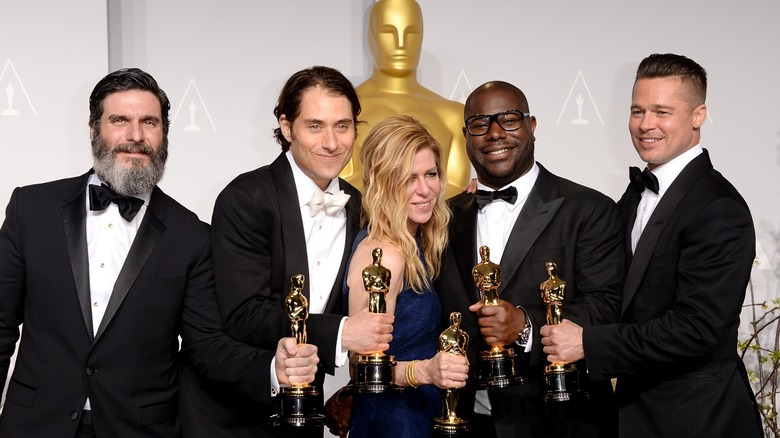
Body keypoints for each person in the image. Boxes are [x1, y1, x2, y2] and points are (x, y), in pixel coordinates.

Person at [0, 68, 319, 437]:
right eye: (120, 120)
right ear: (93, 130)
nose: (135, 136)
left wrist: (272, 369)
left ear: (163, 134)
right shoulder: (31, 209)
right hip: (34, 426)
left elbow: (208, 347)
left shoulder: (192, 236)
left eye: (148, 122)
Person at [540, 53, 763, 437]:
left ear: (698, 115)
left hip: (697, 421)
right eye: (637, 110)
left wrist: (590, 343)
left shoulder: (719, 207)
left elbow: (696, 328)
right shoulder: (635, 194)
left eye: (662, 112)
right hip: (635, 415)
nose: (645, 125)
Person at [186, 66, 394, 437]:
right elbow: (244, 314)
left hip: (304, 415)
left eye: (343, 126)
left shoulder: (360, 206)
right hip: (230, 415)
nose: (332, 142)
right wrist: (342, 333)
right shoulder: (246, 198)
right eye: (315, 126)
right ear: (286, 128)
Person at [436, 80, 624, 437]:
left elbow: (607, 309)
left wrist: (525, 325)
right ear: (466, 135)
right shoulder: (443, 219)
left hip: (560, 421)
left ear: (531, 126)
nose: (494, 134)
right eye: (480, 123)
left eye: (508, 119)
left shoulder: (589, 209)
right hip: (464, 421)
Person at [345, 115, 469, 437]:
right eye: (408, 178)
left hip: (422, 411)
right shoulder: (385, 254)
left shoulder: (416, 242)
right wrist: (426, 370)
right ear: (384, 182)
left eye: (431, 174)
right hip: (391, 420)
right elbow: (361, 369)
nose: (425, 189)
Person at [341, 0, 470, 197]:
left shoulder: (453, 114)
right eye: (388, 32)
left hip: (436, 226)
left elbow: (456, 189)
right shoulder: (344, 109)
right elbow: (342, 184)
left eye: (411, 33)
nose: (401, 44)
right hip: (366, 225)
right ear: (371, 37)